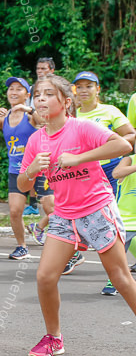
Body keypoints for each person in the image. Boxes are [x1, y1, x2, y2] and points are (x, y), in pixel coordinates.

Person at [17, 74, 136, 356]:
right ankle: (53, 338)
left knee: (119, 278)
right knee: (45, 276)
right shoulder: (36, 140)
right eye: (37, 95)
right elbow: (22, 185)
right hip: (64, 214)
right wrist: (32, 169)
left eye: (48, 94)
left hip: (96, 208)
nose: (41, 99)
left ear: (66, 102)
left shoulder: (82, 128)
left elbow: (124, 146)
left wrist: (79, 158)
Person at [72, 71, 136, 294]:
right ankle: (74, 251)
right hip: (80, 173)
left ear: (98, 89)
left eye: (89, 86)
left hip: (109, 170)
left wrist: (109, 145)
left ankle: (117, 276)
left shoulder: (109, 111)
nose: (83, 90)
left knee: (114, 223)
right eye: (79, 86)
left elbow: (130, 135)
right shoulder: (72, 115)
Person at [0, 77, 52, 260]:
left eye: (18, 89)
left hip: (40, 168)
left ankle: (63, 244)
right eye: (11, 89)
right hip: (17, 170)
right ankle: (22, 247)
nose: (13, 92)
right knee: (14, 211)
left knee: (52, 208)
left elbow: (43, 121)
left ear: (27, 95)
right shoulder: (4, 118)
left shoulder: (30, 115)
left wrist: (27, 108)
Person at [24, 57, 57, 216]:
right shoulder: (33, 89)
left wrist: (36, 116)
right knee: (31, 168)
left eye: (44, 69)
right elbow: (33, 118)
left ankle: (57, 205)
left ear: (52, 70)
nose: (40, 72)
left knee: (52, 168)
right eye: (38, 69)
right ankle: (33, 204)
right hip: (36, 135)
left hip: (54, 134)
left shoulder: (57, 88)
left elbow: (39, 116)